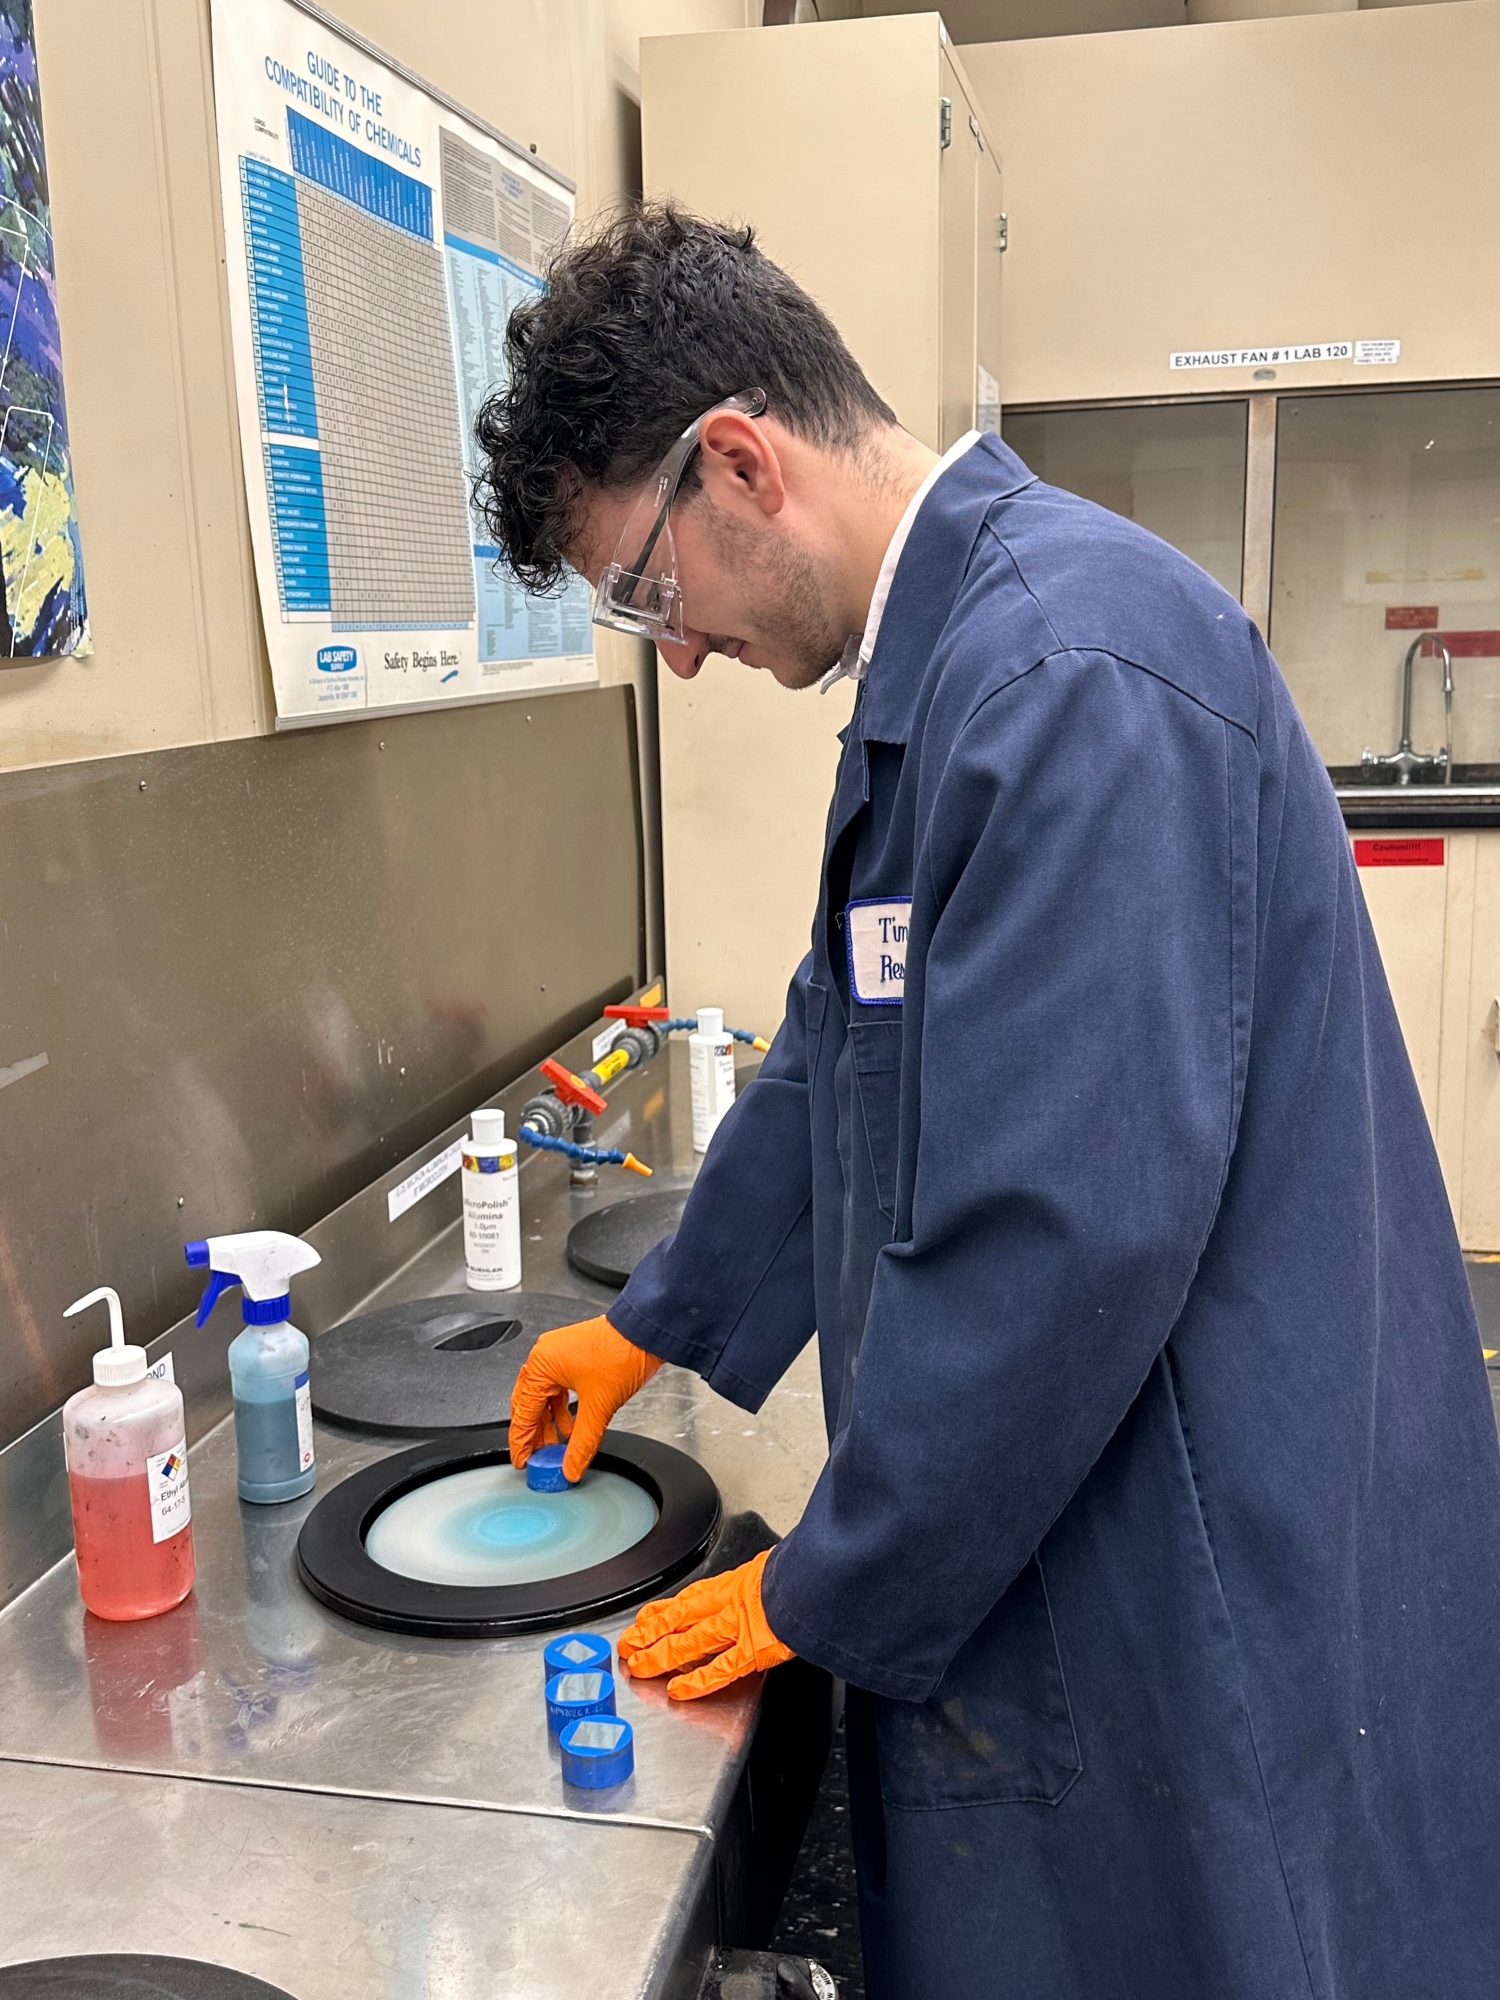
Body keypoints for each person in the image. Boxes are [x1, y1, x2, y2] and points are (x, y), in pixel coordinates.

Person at [474, 202, 1500, 2000]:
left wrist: (822, 1578)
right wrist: (658, 1324)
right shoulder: (946, 675)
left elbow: (1059, 1238)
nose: (678, 651)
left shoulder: (1066, 677)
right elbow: (838, 1036)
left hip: (1198, 1516)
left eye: (648, 588)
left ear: (740, 463)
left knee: (1220, 1927)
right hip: (1088, 1473)